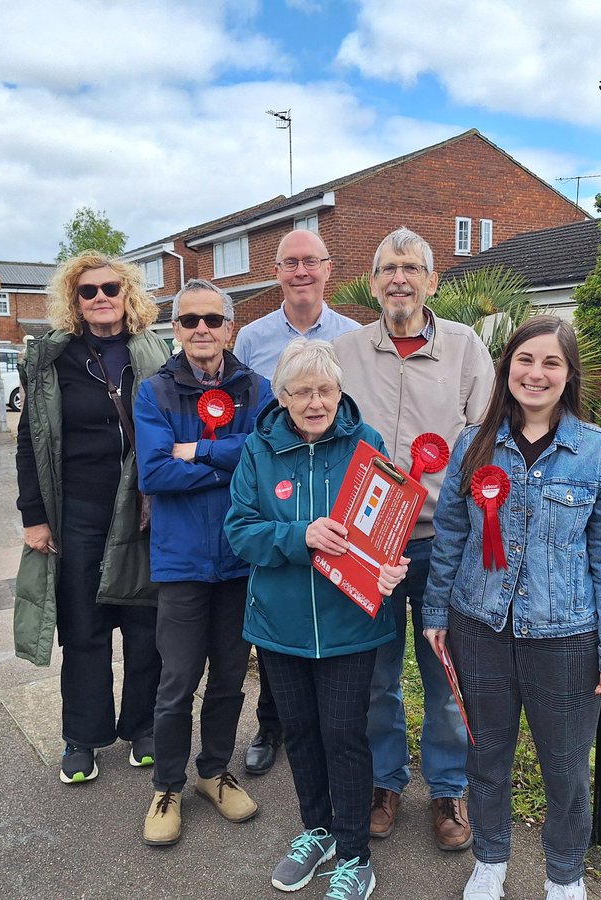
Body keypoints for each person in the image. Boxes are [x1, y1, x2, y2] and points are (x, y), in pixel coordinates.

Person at [421, 315, 601, 900]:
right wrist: (437, 613)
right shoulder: (473, 444)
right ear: (506, 367)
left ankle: (564, 874)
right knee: (487, 755)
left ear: (568, 376)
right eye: (525, 359)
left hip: (565, 638)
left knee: (565, 768)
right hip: (480, 627)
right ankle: (490, 860)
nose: (535, 373)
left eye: (551, 363)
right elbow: (450, 538)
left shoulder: (597, 453)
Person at [225, 339, 408, 900]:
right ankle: (318, 830)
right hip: (280, 625)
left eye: (325, 390)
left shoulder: (365, 444)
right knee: (300, 731)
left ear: (339, 391)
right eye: (301, 391)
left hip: (350, 621)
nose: (314, 402)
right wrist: (297, 535)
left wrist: (390, 569)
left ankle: (355, 854)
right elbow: (238, 532)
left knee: (344, 734)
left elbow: (387, 532)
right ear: (280, 397)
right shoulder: (258, 450)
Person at [334, 227, 494, 851]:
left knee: (444, 672)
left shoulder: (464, 349)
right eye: (387, 269)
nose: (398, 278)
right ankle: (385, 782)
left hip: (439, 544)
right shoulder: (344, 351)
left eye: (411, 268)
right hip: (368, 546)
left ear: (432, 281)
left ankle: (449, 790)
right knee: (375, 677)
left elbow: (486, 439)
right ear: (372, 283)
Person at [13, 252, 169, 784]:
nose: (100, 297)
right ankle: (82, 737)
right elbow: (29, 443)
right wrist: (34, 516)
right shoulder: (53, 361)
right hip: (78, 511)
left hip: (143, 510)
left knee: (146, 624)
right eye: (88, 291)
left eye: (110, 287)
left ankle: (143, 727)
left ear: (127, 294)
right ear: (74, 302)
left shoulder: (154, 352)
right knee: (84, 628)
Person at [134, 279, 273, 845]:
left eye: (212, 320)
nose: (201, 331)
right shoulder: (155, 393)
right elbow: (155, 473)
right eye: (190, 321)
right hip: (183, 562)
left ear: (229, 327)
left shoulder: (258, 388)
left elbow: (264, 456)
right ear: (175, 329)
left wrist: (197, 450)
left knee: (228, 681)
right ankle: (168, 785)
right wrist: (227, 462)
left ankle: (213, 772)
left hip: (241, 560)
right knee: (177, 682)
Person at [232, 228, 362, 776]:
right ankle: (272, 727)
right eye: (290, 262)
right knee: (283, 621)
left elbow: (357, 418)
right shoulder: (251, 337)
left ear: (329, 268)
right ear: (278, 271)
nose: (301, 270)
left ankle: (356, 762)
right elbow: (245, 421)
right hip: (274, 489)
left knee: (341, 653)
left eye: (312, 261)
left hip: (340, 491)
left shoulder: (354, 335)